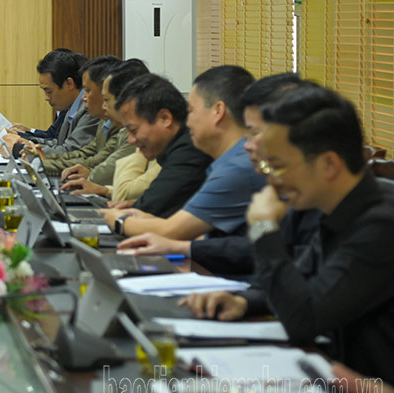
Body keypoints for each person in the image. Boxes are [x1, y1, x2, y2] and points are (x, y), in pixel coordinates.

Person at [181, 86, 394, 393]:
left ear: (329, 165)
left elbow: (304, 319)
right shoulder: (337, 208)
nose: (271, 179)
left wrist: (263, 228)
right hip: (340, 385)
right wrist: (245, 301)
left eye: (277, 166)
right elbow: (304, 282)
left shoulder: (383, 225)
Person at [116, 73, 320, 276]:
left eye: (256, 133)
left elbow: (301, 289)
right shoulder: (287, 185)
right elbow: (255, 247)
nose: (248, 146)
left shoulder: (244, 168)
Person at [105, 66, 266, 239]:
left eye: (191, 111)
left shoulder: (237, 166)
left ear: (218, 111)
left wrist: (120, 220)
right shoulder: (229, 160)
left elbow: (171, 230)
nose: (187, 121)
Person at [99, 74, 212, 227]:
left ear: (165, 118)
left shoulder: (190, 149)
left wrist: (127, 216)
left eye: (133, 130)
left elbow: (152, 208)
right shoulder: (174, 146)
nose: (131, 140)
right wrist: (135, 206)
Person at [61, 59, 153, 201]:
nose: (104, 106)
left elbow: (124, 189)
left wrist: (95, 180)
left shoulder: (141, 136)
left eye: (107, 99)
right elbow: (95, 158)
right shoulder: (113, 126)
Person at [38, 55, 126, 179]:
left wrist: (41, 163)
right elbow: (87, 155)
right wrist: (42, 159)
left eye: (88, 90)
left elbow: (100, 166)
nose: (83, 98)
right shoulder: (104, 122)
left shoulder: (125, 130)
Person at [3, 50, 100, 157]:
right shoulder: (71, 107)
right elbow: (58, 143)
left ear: (69, 84)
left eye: (49, 91)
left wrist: (19, 149)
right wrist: (24, 141)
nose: (46, 98)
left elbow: (70, 151)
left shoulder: (91, 109)